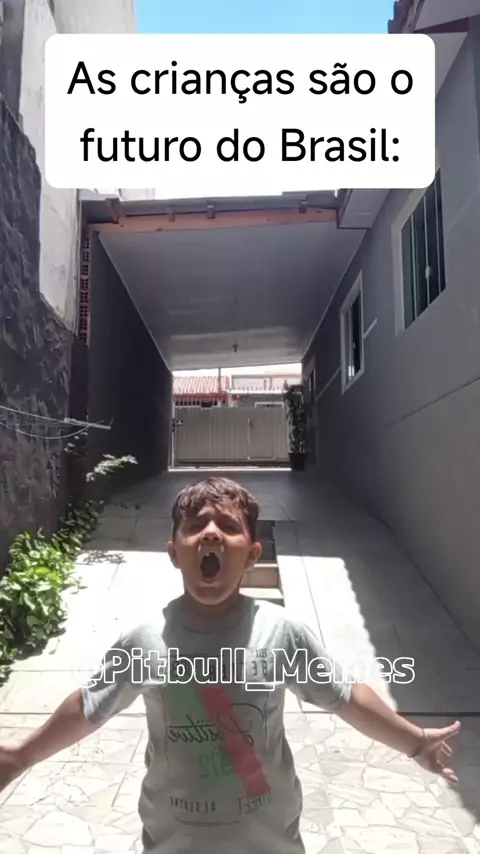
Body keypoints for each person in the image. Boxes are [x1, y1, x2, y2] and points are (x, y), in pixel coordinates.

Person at [0, 476, 460, 853]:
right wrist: (21, 755)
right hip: (173, 842)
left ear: (252, 555)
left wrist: (414, 740)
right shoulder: (145, 642)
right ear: (174, 552)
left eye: (227, 525)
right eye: (195, 525)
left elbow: (346, 696)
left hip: (269, 842)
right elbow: (89, 706)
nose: (211, 533)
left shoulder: (281, 634)